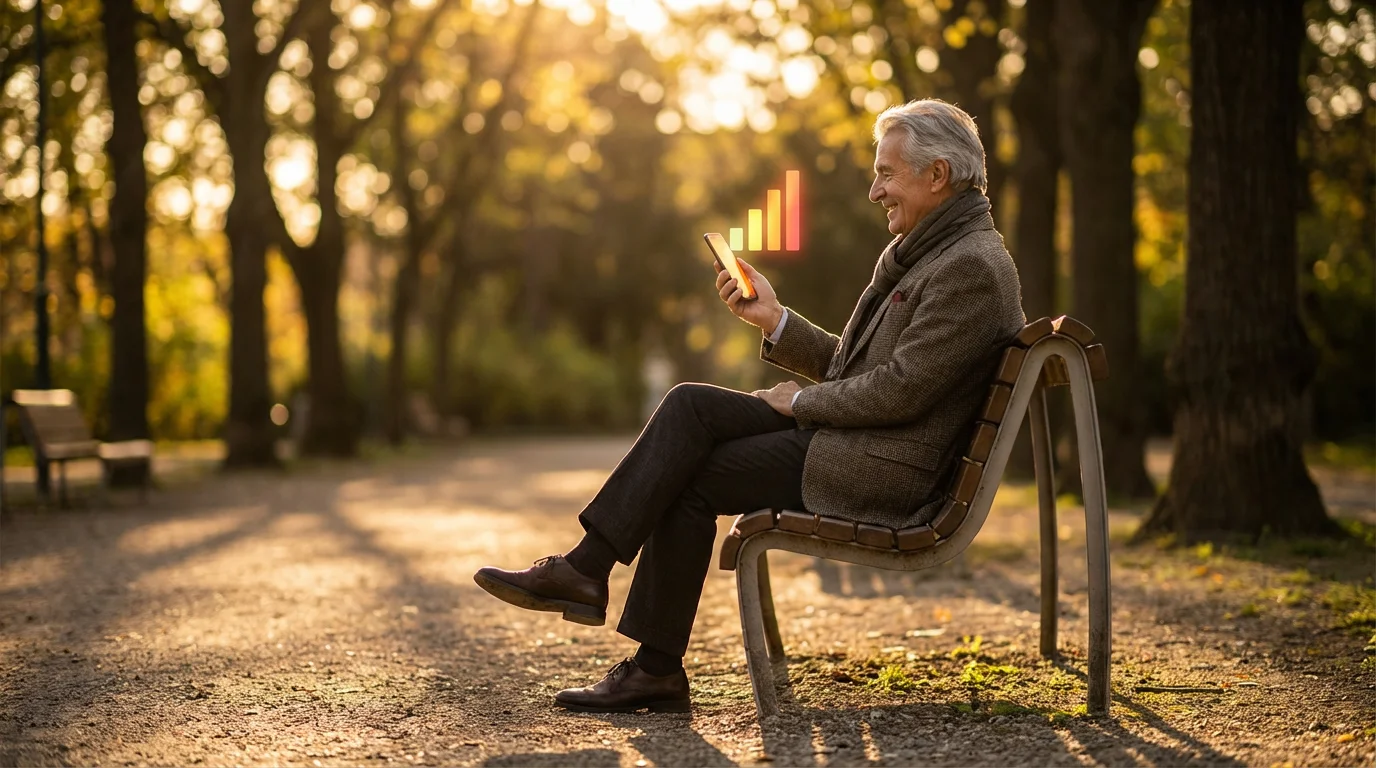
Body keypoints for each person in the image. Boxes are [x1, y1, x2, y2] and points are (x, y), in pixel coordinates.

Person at [473, 98, 1025, 713]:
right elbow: (865, 369)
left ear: (937, 175)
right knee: (688, 412)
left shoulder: (970, 267)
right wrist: (774, 318)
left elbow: (900, 390)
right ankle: (598, 587)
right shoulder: (934, 253)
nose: (875, 191)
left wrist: (803, 403)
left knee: (686, 456)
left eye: (886, 174)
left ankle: (622, 623)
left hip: (882, 468)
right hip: (859, 443)